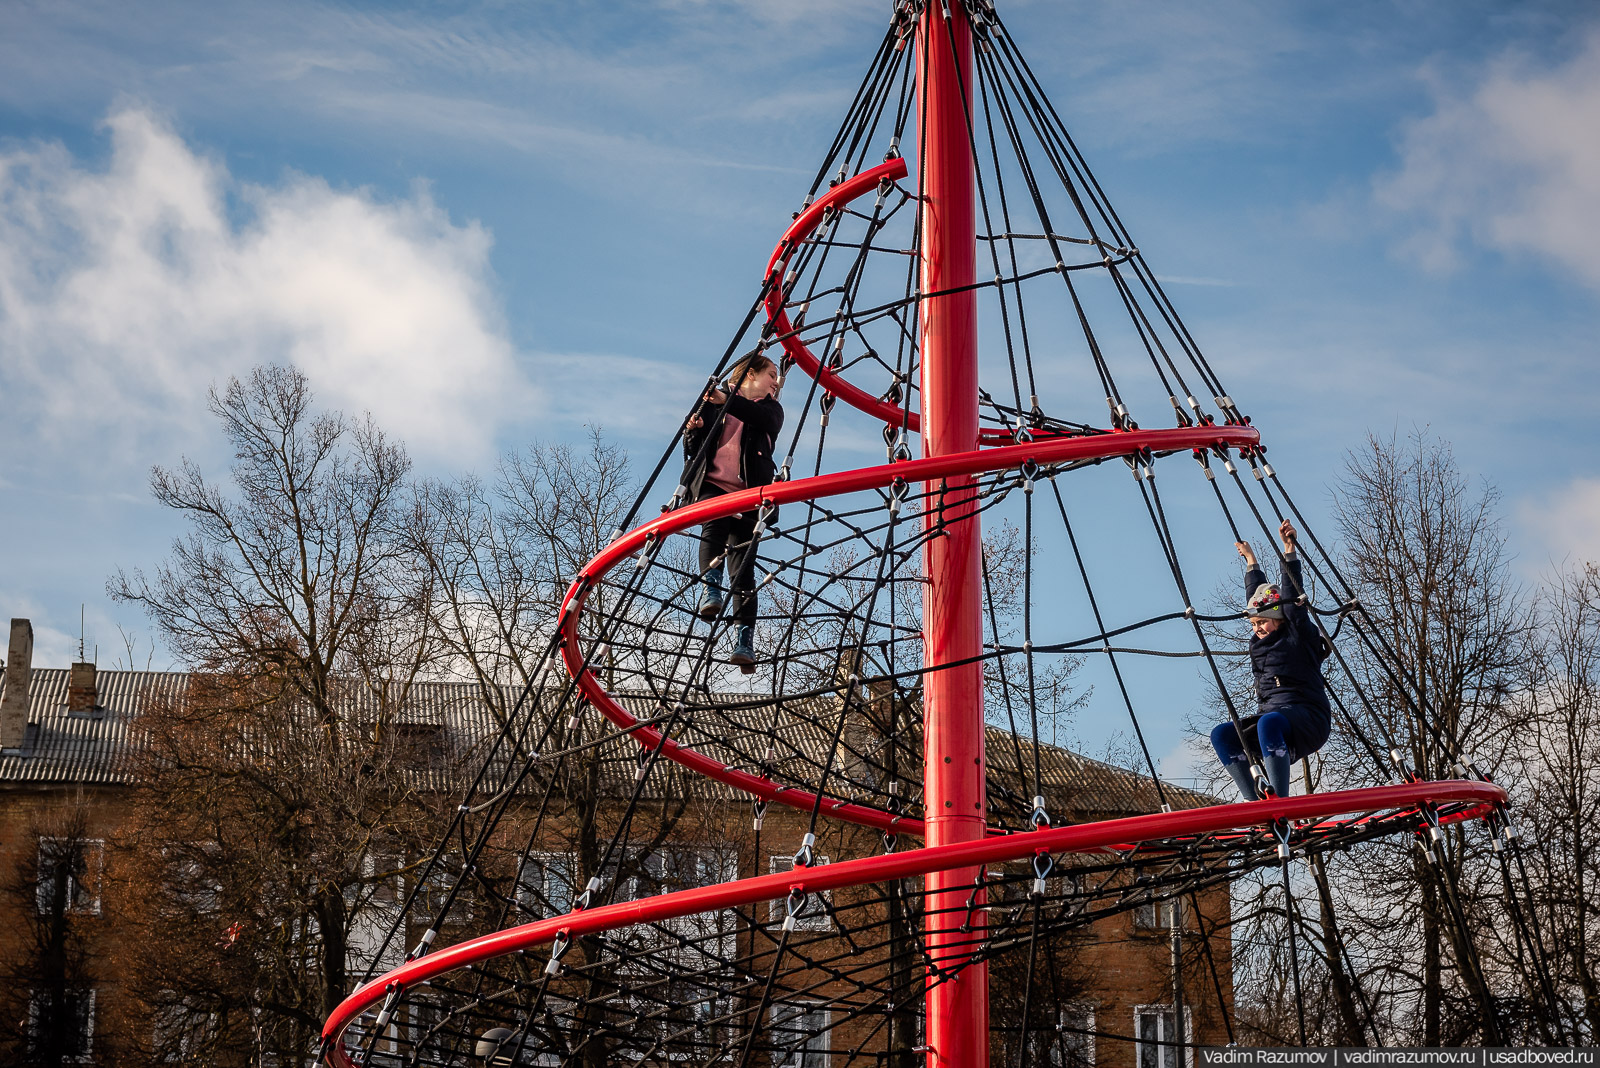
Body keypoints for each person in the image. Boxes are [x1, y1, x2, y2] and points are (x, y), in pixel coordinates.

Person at [1210, 519, 1332, 801]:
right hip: (1276, 720)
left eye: (1263, 622)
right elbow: (1257, 598)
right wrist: (1251, 562)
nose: (1258, 629)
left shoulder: (1295, 634)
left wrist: (1289, 551)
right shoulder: (1259, 643)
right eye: (1254, 625)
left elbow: (1289, 598)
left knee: (1268, 724)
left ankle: (1279, 800)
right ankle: (1255, 805)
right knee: (1223, 734)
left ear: (1279, 620)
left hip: (1308, 717)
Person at [681, 352, 784, 671]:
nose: (776, 382)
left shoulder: (771, 409)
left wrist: (725, 398)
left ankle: (744, 641)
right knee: (712, 531)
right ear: (750, 374)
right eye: (771, 374)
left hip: (750, 491)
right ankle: (710, 589)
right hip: (714, 483)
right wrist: (694, 430)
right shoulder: (714, 403)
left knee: (743, 570)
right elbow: (698, 448)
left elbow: (762, 421)